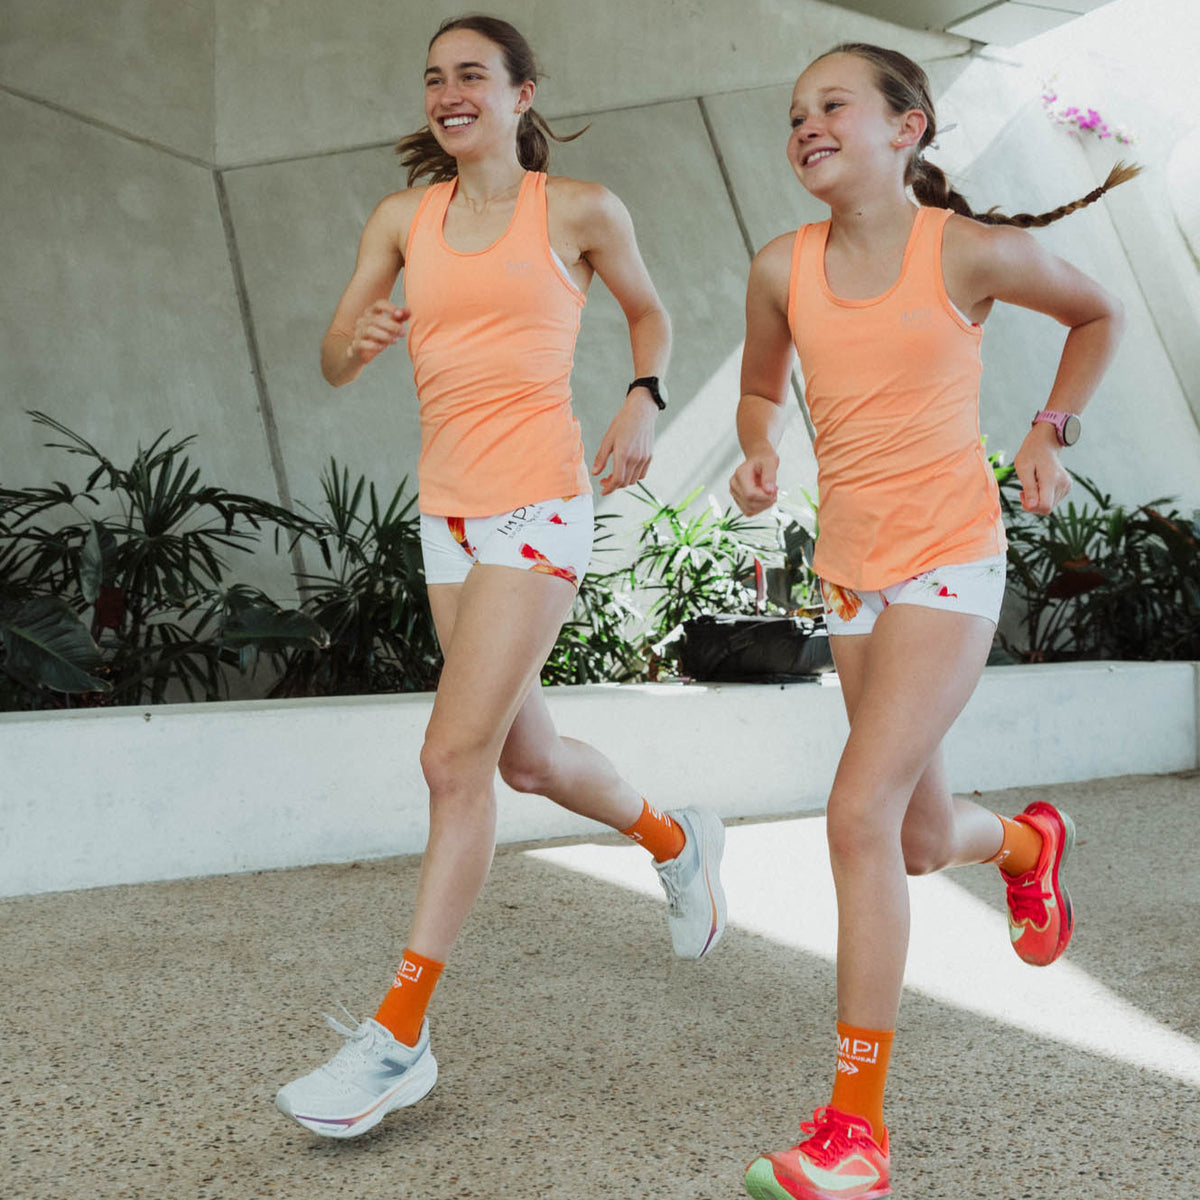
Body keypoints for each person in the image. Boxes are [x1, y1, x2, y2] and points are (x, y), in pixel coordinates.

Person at [274, 13, 727, 1140]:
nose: (448, 91)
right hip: (448, 512)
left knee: (450, 758)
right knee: (525, 758)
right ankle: (677, 841)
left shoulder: (574, 208)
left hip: (538, 503)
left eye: (472, 74)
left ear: (524, 95)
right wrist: (366, 331)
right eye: (434, 78)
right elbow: (333, 359)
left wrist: (643, 395)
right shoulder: (402, 218)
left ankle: (398, 1036)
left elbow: (651, 312)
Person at [730, 42, 1134, 1200]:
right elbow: (762, 387)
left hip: (951, 560)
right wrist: (758, 446)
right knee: (913, 837)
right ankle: (1024, 845)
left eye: (834, 105)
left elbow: (1097, 314)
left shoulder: (966, 253)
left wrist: (1051, 428)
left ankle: (856, 1132)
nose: (807, 124)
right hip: (851, 574)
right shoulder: (781, 268)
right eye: (795, 112)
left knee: (857, 814)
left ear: (908, 128)